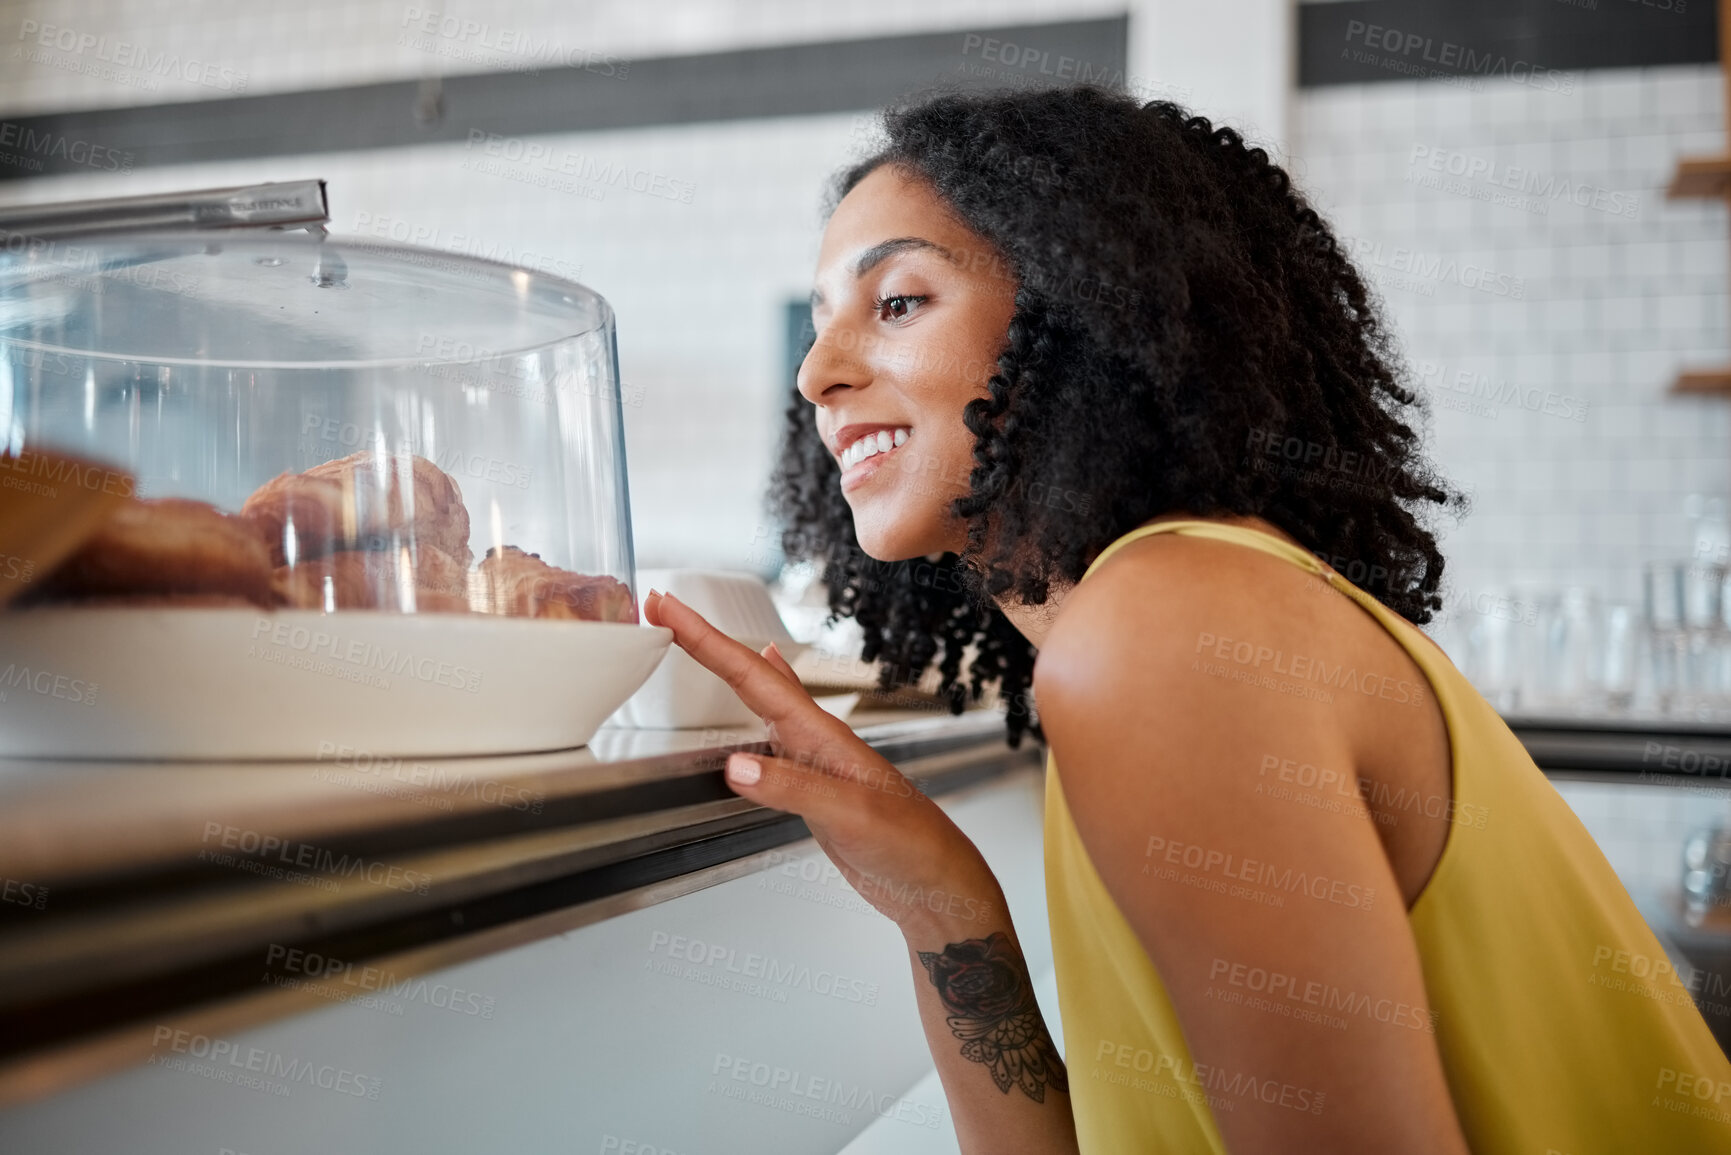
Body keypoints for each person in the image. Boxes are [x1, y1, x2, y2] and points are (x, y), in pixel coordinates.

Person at [643, 86, 1731, 1153]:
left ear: (1085, 315)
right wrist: (946, 909)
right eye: (825, 320)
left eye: (898, 303)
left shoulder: (1165, 635)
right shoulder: (1165, 622)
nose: (817, 373)